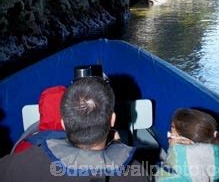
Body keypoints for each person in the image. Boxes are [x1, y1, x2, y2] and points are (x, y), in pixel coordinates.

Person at [0, 77, 150, 181]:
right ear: (112, 120)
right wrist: (117, 147)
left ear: (64, 124)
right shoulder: (134, 173)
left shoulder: (16, 166)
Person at [156, 108, 219, 182]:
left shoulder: (170, 174)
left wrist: (172, 154)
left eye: (170, 135)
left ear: (185, 142)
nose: (169, 139)